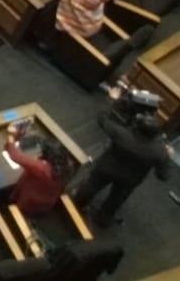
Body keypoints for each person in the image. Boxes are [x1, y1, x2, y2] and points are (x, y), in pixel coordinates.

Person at [72, 86, 168, 226]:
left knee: (92, 184)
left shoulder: (121, 134)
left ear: (136, 125)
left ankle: (77, 204)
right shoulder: (160, 150)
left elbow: (102, 118)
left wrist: (112, 100)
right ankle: (102, 219)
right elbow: (163, 176)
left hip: (107, 168)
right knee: (117, 198)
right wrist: (167, 155)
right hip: (130, 180)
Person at [5, 125, 72, 217]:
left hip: (29, 201)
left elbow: (15, 156)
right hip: (47, 201)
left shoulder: (40, 168)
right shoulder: (67, 165)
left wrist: (10, 136)